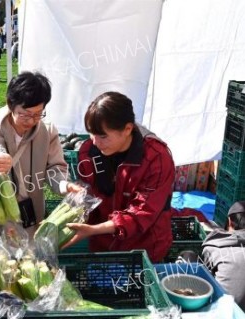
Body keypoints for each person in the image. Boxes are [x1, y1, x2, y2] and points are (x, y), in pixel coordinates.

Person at [64, 91, 175, 262]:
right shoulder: (88, 152)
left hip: (143, 249)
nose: (95, 142)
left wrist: (95, 230)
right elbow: (89, 198)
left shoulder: (156, 158)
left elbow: (142, 212)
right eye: (91, 133)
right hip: (101, 245)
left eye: (103, 136)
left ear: (128, 129)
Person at [0, 71, 74, 236]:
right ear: (10, 104)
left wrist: (64, 185)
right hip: (0, 223)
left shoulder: (47, 132)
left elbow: (55, 167)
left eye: (38, 114)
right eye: (25, 114)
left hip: (34, 217)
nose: (31, 121)